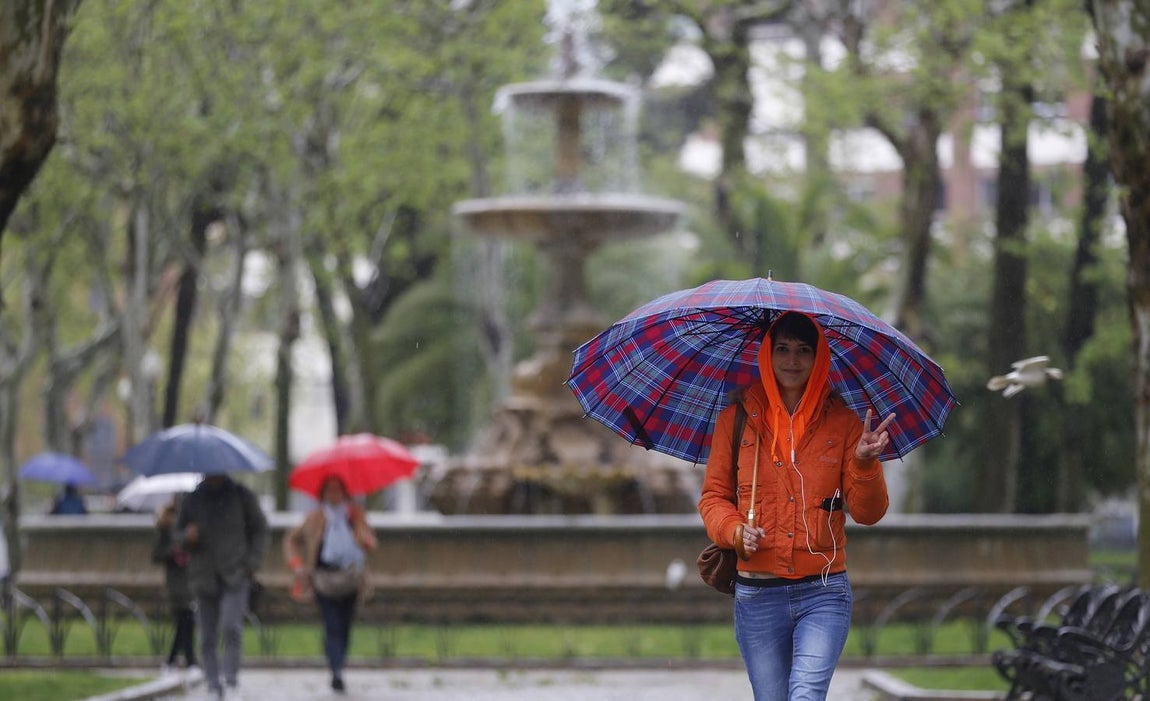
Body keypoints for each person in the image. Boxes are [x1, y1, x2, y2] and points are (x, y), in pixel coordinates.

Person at [698, 312, 895, 701]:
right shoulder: (735, 419)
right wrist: (735, 531)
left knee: (805, 695)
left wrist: (865, 463)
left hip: (823, 592)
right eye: (783, 349)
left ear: (819, 357)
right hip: (757, 595)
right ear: (767, 356)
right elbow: (714, 498)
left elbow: (869, 513)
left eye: (804, 350)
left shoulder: (845, 423)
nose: (792, 360)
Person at [176, 474, 268, 700]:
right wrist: (187, 537)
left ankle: (230, 678)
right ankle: (212, 682)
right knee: (206, 633)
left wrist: (251, 564)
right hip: (203, 574)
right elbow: (177, 536)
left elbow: (260, 529)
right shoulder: (192, 499)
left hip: (235, 573)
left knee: (230, 625)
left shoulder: (241, 496)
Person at [283, 476, 376, 694]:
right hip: (324, 579)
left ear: (345, 493)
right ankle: (336, 671)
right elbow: (290, 539)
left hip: (350, 578)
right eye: (329, 491)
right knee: (331, 625)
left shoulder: (355, 515)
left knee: (344, 626)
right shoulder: (316, 517)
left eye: (338, 490)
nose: (334, 495)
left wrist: (363, 537)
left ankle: (339, 662)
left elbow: (371, 543)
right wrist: (297, 566)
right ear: (322, 494)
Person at [152, 494, 197, 674]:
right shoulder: (165, 530)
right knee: (185, 620)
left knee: (184, 623)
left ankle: (172, 661)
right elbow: (157, 555)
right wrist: (173, 549)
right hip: (176, 584)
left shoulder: (188, 525)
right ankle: (190, 661)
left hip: (190, 580)